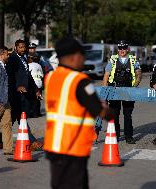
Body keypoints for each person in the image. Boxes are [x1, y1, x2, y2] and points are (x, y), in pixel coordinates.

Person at [44, 36, 113, 189]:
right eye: (83, 56)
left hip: (54, 145)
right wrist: (109, 111)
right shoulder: (80, 80)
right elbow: (100, 112)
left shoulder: (51, 77)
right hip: (72, 148)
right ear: (74, 56)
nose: (84, 61)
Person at [0, 39, 43, 151]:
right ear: (16, 47)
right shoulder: (12, 59)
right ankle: (32, 141)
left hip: (24, 94)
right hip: (15, 95)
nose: (23, 49)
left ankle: (0, 141)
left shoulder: (24, 58)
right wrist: (17, 86)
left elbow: (28, 75)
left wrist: (36, 90)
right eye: (20, 47)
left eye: (24, 47)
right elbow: (9, 76)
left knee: (12, 119)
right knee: (22, 118)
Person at [102, 40, 142, 144]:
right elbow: (106, 75)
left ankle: (129, 136)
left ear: (127, 49)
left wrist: (135, 85)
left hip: (128, 91)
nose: (122, 50)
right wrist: (105, 89)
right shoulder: (113, 60)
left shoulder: (133, 60)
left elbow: (138, 74)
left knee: (127, 114)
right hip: (114, 91)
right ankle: (115, 135)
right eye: (120, 48)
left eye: (124, 48)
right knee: (114, 114)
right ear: (118, 49)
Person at [27, 53, 44, 117]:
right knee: (37, 100)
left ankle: (29, 113)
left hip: (32, 84)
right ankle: (36, 113)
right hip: (39, 84)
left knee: (30, 99)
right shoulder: (39, 66)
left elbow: (28, 74)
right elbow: (42, 75)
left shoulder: (29, 65)